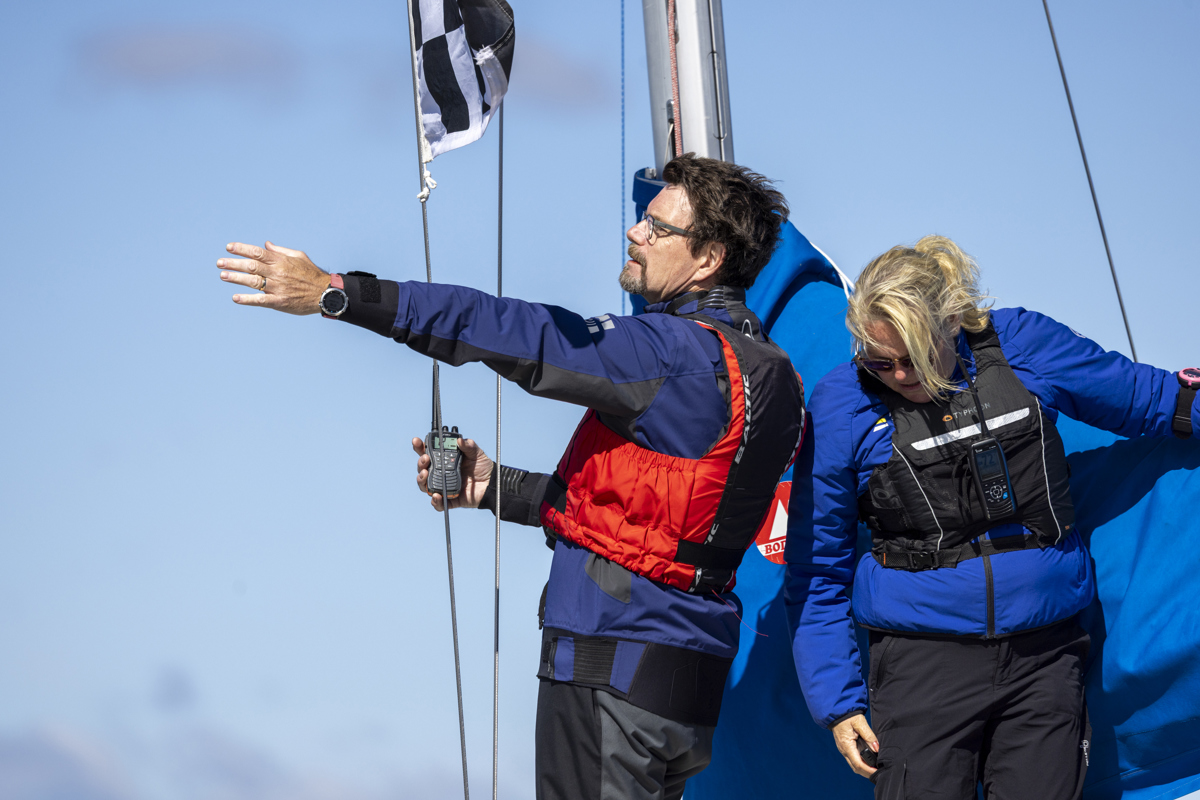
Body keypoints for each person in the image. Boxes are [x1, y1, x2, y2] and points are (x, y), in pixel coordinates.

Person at [216, 154, 806, 800]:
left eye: (657, 227)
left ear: (709, 258)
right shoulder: (775, 376)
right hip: (684, 689)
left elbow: (510, 328)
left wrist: (337, 293)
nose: (635, 231)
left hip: (609, 666)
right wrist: (493, 486)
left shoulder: (670, 352)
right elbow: (661, 524)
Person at [784, 235, 1198, 799]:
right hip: (921, 665)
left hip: (1045, 656)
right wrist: (838, 704)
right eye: (881, 362)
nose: (900, 375)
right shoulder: (841, 404)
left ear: (952, 322)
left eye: (916, 357)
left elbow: (1153, 400)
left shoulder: (1024, 344)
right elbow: (817, 570)